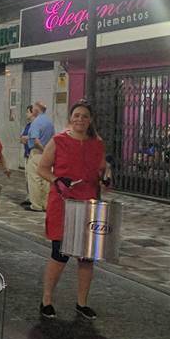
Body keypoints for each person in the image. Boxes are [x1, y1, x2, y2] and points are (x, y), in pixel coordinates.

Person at [37, 100, 110, 321]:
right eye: (76, 115)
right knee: (59, 254)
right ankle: (47, 300)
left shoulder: (97, 144)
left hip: (88, 205)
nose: (80, 119)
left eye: (84, 116)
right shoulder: (59, 141)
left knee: (87, 258)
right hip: (63, 204)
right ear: (71, 118)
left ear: (90, 120)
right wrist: (56, 180)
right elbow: (42, 168)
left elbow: (102, 169)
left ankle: (82, 302)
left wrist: (106, 177)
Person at [25, 101, 55, 212]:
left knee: (35, 179)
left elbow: (36, 140)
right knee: (46, 180)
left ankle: (36, 205)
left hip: (37, 153)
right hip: (48, 155)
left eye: (33, 109)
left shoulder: (36, 122)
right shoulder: (49, 122)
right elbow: (53, 139)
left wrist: (44, 150)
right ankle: (46, 204)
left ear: (36, 110)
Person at [18, 105, 35, 207]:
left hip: (34, 155)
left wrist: (27, 138)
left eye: (28, 112)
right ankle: (29, 196)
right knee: (27, 177)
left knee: (34, 178)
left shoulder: (37, 125)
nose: (26, 114)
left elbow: (36, 138)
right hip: (27, 154)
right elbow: (21, 138)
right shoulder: (28, 125)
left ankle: (34, 199)